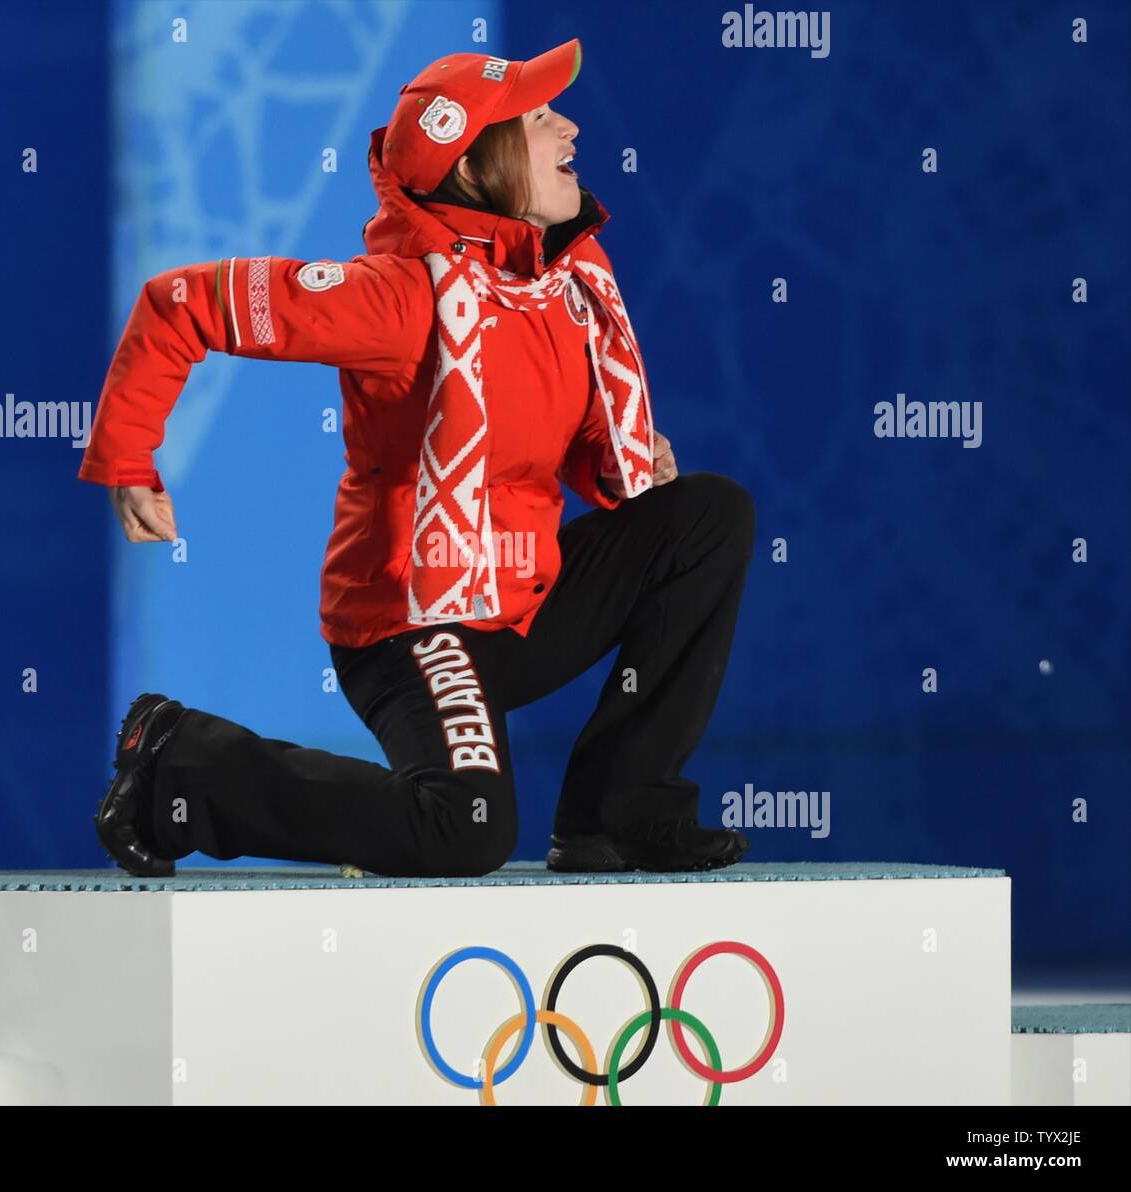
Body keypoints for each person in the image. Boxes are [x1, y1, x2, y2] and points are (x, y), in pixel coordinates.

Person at [83, 39, 754, 880]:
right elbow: (179, 303)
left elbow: (540, 444)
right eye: (541, 118)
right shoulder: (395, 298)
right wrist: (129, 456)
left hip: (518, 600)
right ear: (473, 170)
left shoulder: (566, 285)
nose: (571, 128)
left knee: (707, 515)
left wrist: (621, 465)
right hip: (413, 621)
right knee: (465, 829)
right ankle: (181, 767)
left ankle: (622, 813)